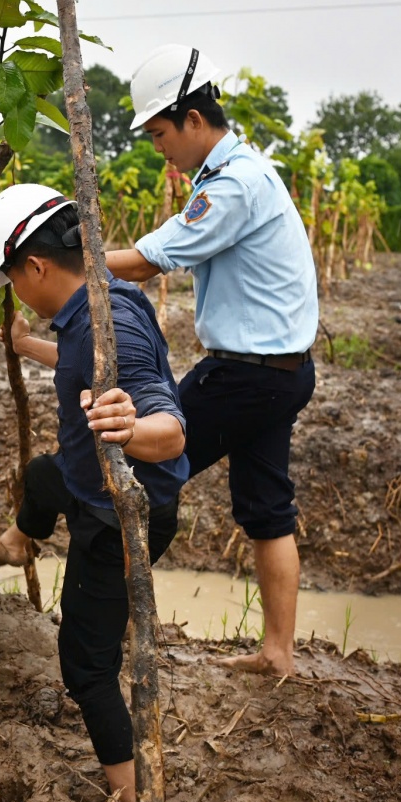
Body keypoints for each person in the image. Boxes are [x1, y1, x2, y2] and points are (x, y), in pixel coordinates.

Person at [0, 184, 188, 802]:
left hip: (120, 518)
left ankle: (135, 796)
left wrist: (130, 427)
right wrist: (23, 345)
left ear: (37, 267)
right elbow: (76, 357)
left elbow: (170, 432)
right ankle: (19, 539)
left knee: (86, 667)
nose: (15, 291)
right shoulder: (94, 302)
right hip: (81, 482)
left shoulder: (110, 323)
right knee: (43, 476)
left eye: (14, 278)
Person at [107, 44, 319, 677]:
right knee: (267, 509)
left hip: (246, 375)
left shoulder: (233, 186)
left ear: (193, 120)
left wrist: (54, 259)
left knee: (143, 470)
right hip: (280, 373)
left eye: (160, 132)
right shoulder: (241, 173)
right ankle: (277, 654)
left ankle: (113, 628)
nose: (157, 147)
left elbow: (146, 262)